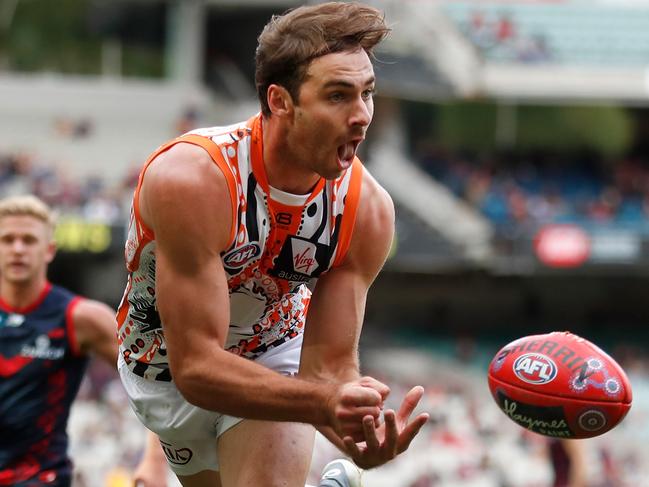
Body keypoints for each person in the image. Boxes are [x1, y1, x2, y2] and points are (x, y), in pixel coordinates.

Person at [117, 3, 429, 486]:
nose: (363, 116)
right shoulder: (194, 180)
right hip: (163, 371)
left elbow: (329, 365)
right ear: (281, 101)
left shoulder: (366, 209)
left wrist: (355, 435)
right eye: (338, 96)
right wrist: (324, 403)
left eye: (367, 93)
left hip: (274, 353)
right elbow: (196, 366)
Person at [0, 194, 167, 487]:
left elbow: (155, 378)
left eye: (28, 240)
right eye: (7, 239)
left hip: (39, 479)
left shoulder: (78, 317)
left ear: (49, 250)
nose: (17, 249)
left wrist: (153, 460)